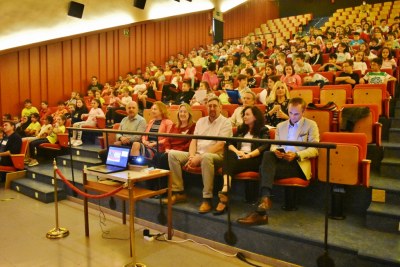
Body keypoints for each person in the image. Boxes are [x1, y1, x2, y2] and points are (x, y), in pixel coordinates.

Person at [237, 98, 319, 225]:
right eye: (290, 113)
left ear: (303, 111)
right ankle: (263, 203)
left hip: (298, 164)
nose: (293, 116)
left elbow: (315, 149)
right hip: (281, 161)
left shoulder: (311, 125)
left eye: (296, 114)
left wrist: (297, 155)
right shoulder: (281, 126)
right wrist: (277, 151)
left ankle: (262, 209)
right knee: (269, 154)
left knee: (262, 169)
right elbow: (274, 145)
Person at [165, 97, 232, 213]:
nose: (212, 108)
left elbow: (220, 145)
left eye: (215, 106)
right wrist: (191, 157)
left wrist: (199, 157)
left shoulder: (225, 122)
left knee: (206, 157)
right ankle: (179, 192)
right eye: (209, 106)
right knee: (172, 154)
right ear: (206, 107)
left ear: (220, 107)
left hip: (217, 155)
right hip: (197, 154)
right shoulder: (201, 121)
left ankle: (207, 198)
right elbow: (194, 141)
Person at [215, 106, 269, 215]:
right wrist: (237, 152)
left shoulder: (263, 129)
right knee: (229, 152)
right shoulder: (240, 129)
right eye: (244, 114)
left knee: (228, 162)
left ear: (255, 117)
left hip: (253, 159)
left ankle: (225, 194)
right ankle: (225, 189)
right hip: (239, 157)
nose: (244, 116)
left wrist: (249, 155)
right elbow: (229, 143)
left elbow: (265, 146)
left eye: (248, 114)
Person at [159, 103, 196, 170]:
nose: (182, 114)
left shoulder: (193, 126)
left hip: (183, 152)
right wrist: (167, 148)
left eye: (185, 112)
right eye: (181, 112)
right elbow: (167, 139)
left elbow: (191, 143)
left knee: (163, 158)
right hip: (170, 151)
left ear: (189, 114)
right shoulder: (174, 125)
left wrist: (173, 151)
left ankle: (165, 180)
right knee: (157, 156)